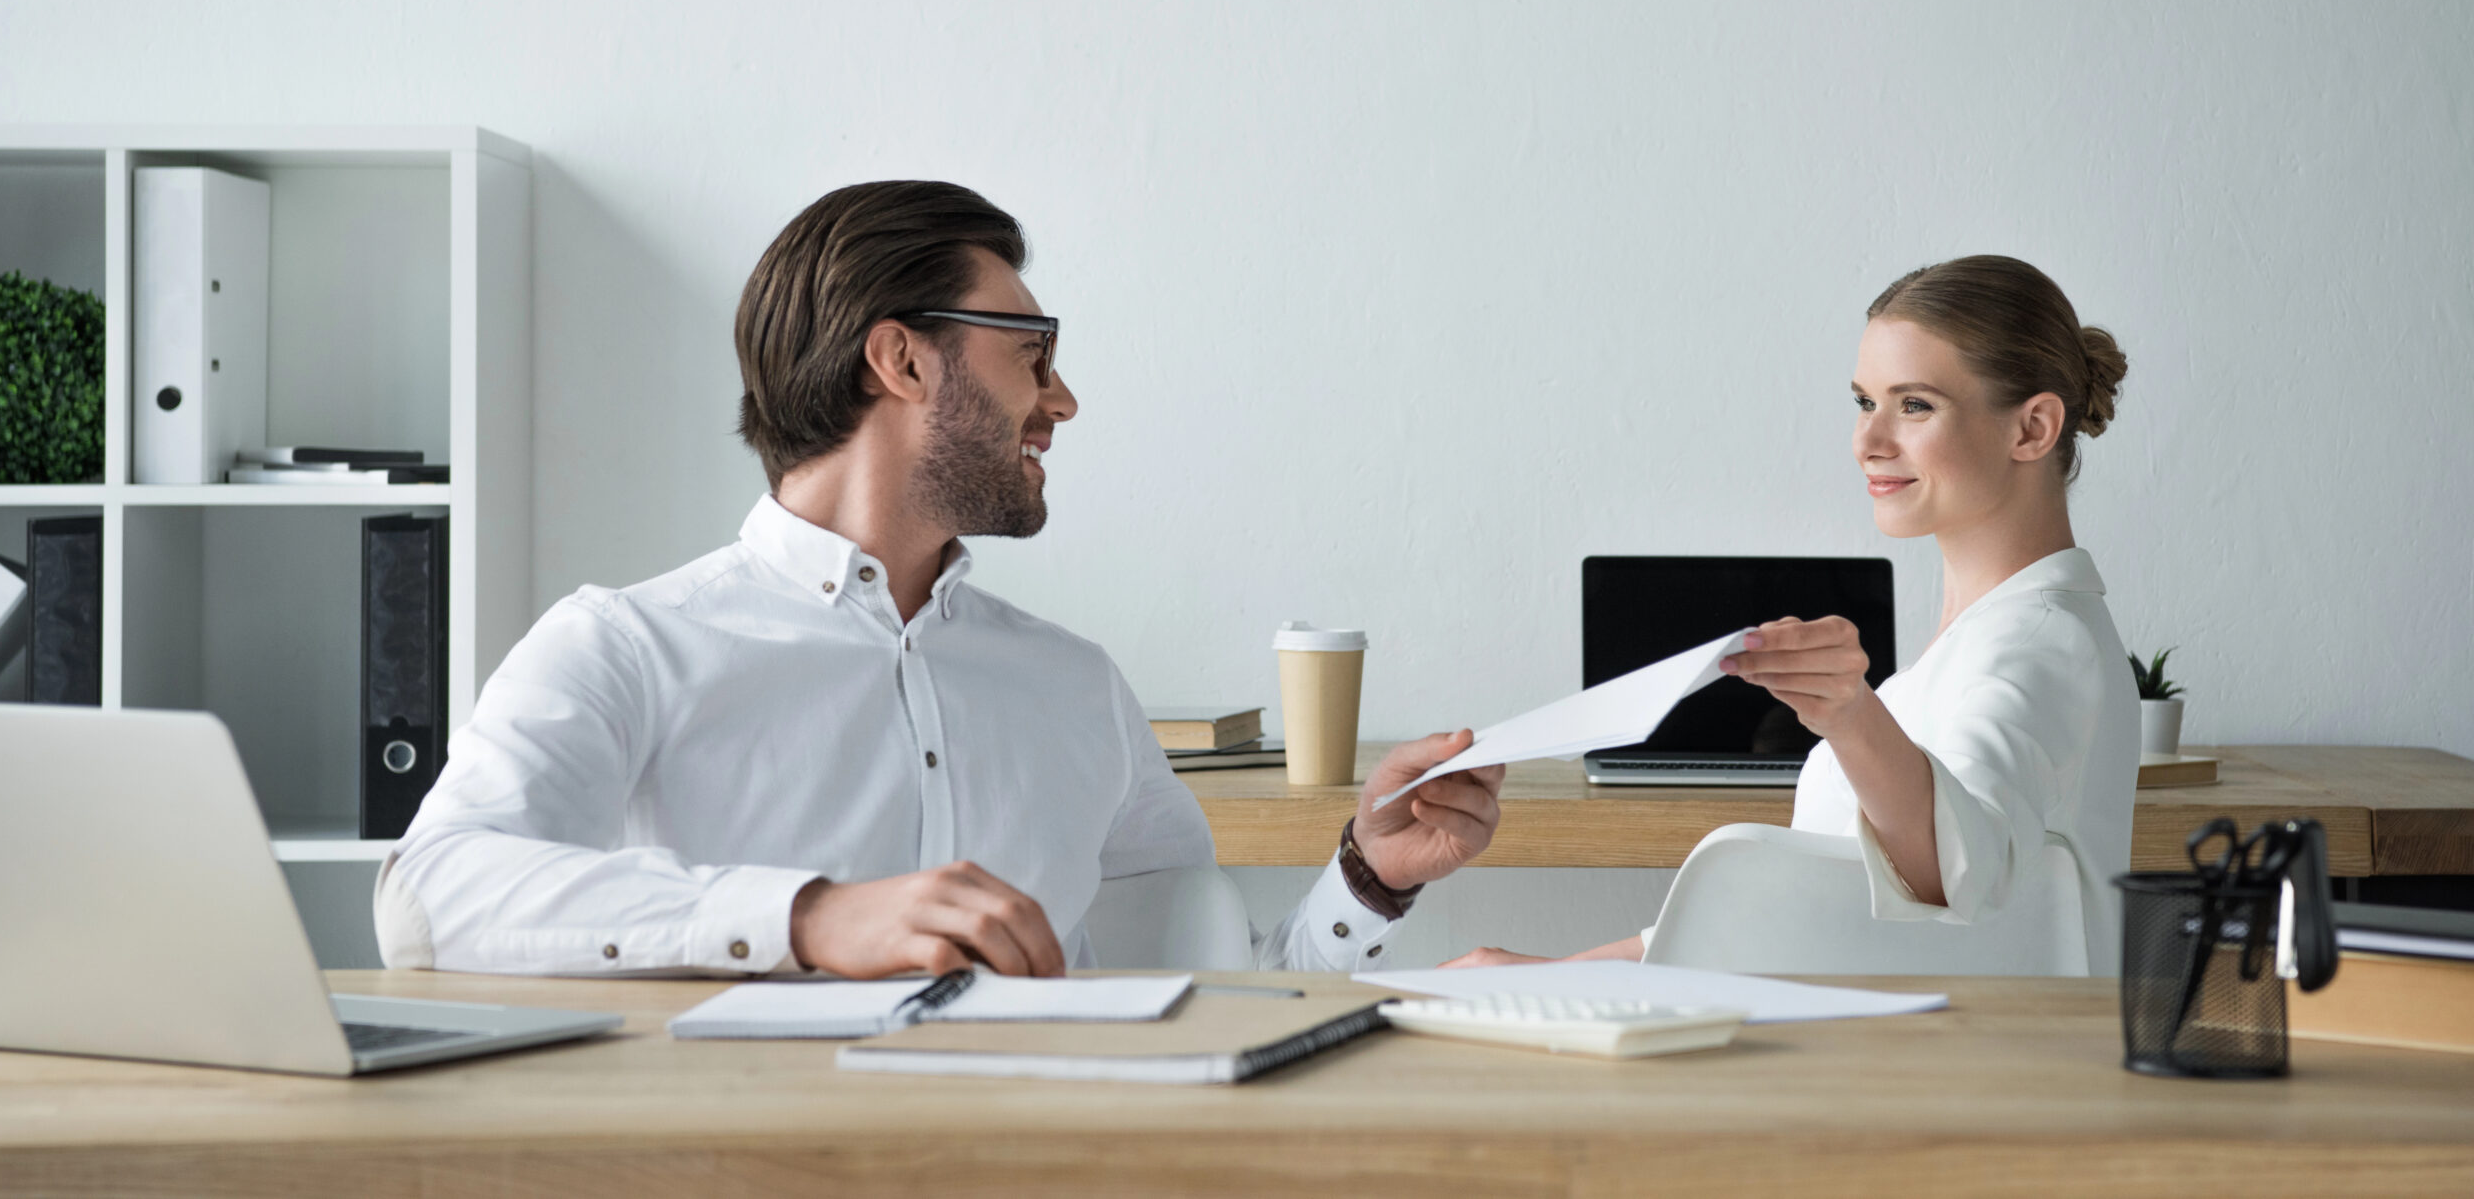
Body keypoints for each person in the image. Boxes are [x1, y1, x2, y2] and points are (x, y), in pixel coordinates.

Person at [376, 180, 1504, 977]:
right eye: (1033, 352)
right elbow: (433, 898)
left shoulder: (1077, 688)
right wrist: (808, 916)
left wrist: (1367, 879)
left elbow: (1205, 997)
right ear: (902, 357)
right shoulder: (625, 647)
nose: (1061, 400)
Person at [1448, 254, 2137, 973]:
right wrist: (1554, 973)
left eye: (1915, 404)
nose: (1868, 442)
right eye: (1864, 402)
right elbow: (1815, 909)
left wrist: (1848, 712)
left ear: (2032, 428)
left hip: (1956, 1066)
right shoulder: (1982, 643)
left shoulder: (2038, 643)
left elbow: (1959, 872)